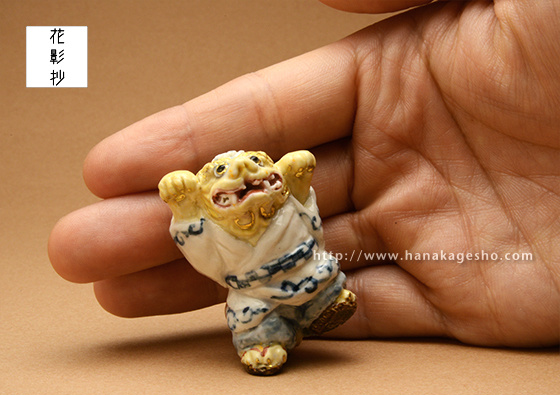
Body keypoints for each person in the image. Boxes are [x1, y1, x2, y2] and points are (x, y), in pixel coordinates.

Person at [48, 0, 560, 347]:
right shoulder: (211, 230)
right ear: (210, 198)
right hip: (251, 287)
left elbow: (309, 221)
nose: (243, 169)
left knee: (324, 279)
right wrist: (182, 207)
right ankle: (263, 343)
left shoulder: (284, 206)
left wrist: (295, 186)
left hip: (304, 264)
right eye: (223, 171)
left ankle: (323, 307)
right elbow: (201, 252)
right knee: (253, 318)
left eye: (255, 163)